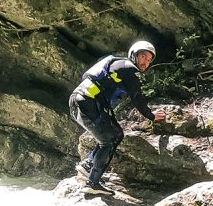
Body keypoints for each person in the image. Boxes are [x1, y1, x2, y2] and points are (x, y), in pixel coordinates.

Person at [68, 41, 167, 197]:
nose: (145, 63)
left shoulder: (119, 66)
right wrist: (151, 115)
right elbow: (137, 97)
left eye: (149, 60)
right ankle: (92, 182)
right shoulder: (128, 68)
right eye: (143, 57)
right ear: (134, 55)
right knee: (109, 139)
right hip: (87, 100)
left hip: (79, 100)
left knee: (115, 134)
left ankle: (88, 166)